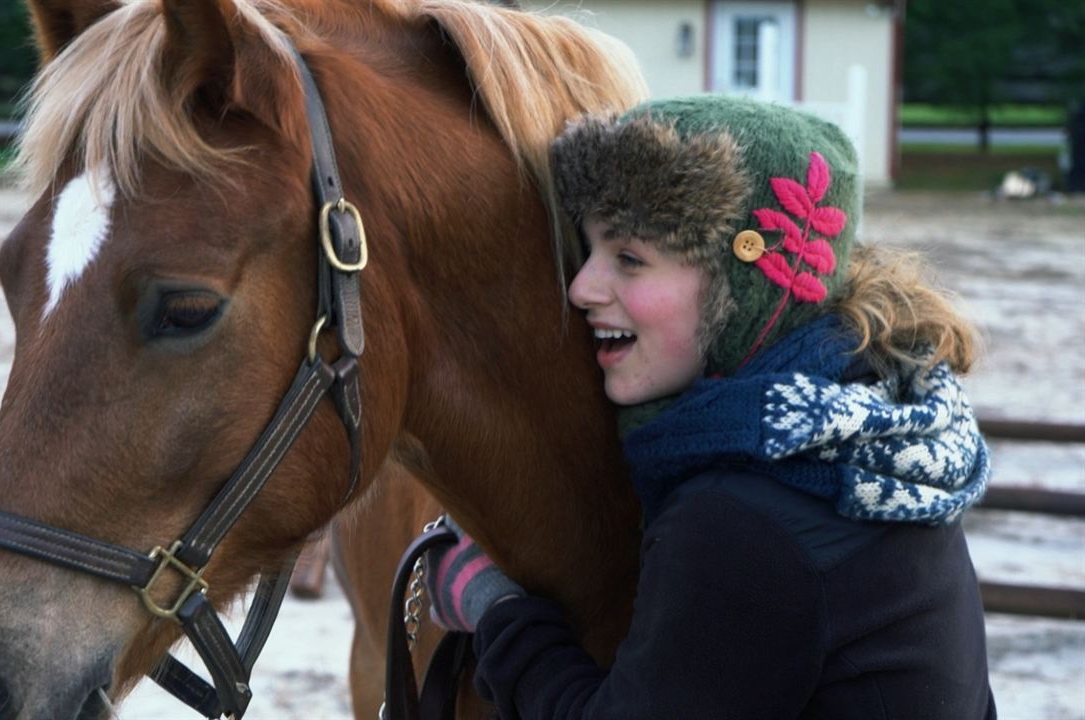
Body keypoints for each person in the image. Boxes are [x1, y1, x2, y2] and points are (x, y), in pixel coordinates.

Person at [425, 96, 996, 719]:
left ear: (744, 286)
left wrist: (492, 607)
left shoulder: (748, 516)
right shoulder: (863, 439)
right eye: (589, 252)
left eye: (630, 259)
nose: (582, 287)